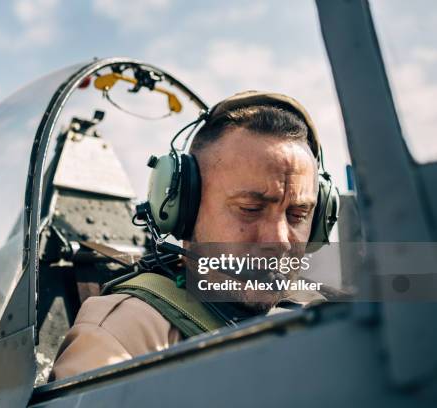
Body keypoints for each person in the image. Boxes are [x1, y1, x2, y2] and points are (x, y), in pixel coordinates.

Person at [49, 91, 337, 381]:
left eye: (298, 214)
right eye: (250, 209)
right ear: (185, 209)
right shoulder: (126, 335)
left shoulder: (323, 314)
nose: (280, 241)